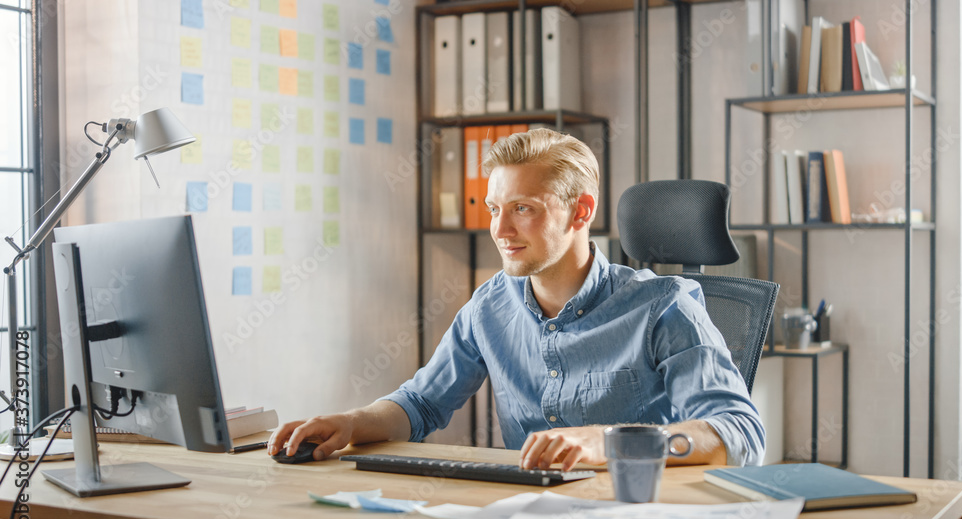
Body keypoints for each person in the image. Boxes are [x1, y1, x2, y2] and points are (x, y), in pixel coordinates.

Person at [268, 129, 765, 470]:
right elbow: (421, 404)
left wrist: (607, 443)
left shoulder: (665, 305)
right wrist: (352, 423)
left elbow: (740, 434)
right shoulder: (489, 308)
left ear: (580, 211)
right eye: (493, 209)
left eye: (522, 209)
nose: (500, 230)